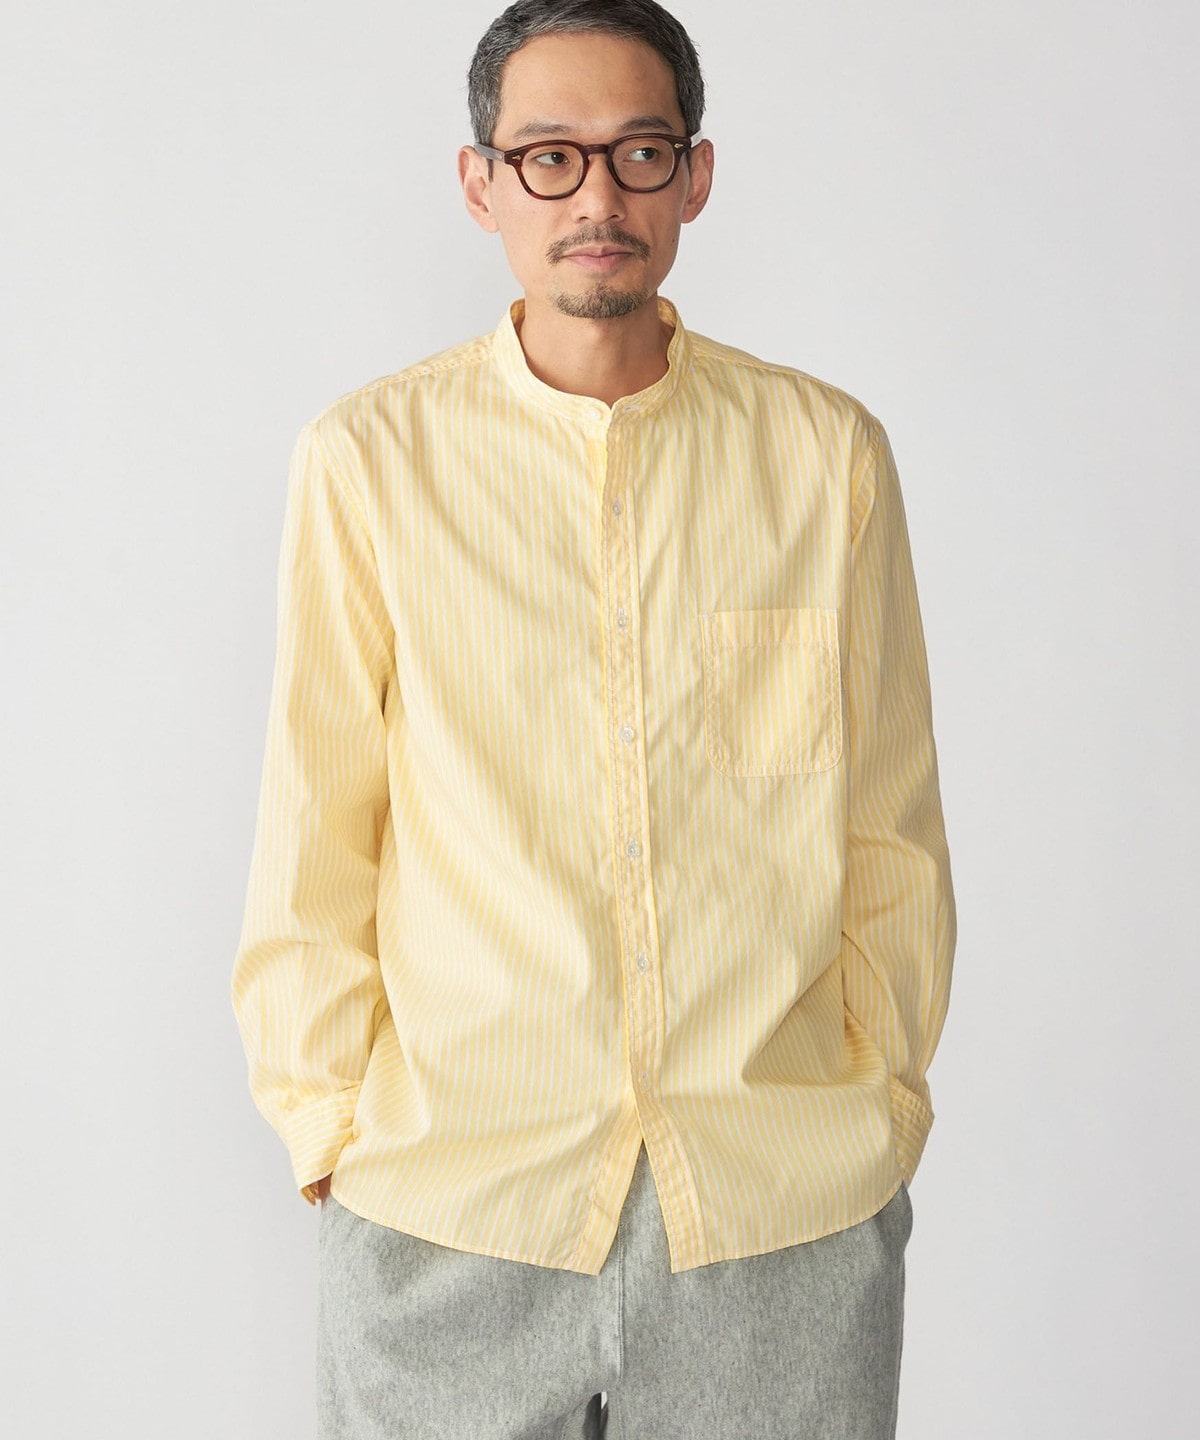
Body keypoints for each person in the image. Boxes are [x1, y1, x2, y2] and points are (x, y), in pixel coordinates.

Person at [231, 1, 956, 1435]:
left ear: (696, 175)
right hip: (451, 1209)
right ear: (480, 183)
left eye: (639, 152)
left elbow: (888, 825)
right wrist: (331, 1131)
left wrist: (877, 1114)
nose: (598, 200)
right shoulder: (370, 461)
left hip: (777, 1211)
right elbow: (318, 823)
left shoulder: (825, 458)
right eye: (549, 156)